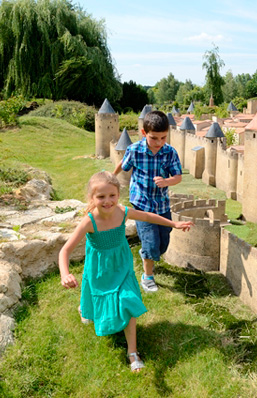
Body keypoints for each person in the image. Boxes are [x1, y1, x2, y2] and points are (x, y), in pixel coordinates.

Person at [58, 171, 193, 372]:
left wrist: (173, 223)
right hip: (100, 270)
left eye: (112, 195)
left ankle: (132, 352)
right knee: (96, 299)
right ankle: (86, 309)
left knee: (128, 300)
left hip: (123, 267)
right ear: (92, 198)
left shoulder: (122, 211)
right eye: (101, 197)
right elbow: (65, 250)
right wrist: (65, 273)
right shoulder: (89, 221)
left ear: (118, 195)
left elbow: (147, 216)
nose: (107, 201)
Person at [113, 110, 182, 293]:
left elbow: (178, 176)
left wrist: (167, 181)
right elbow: (124, 163)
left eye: (163, 138)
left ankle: (148, 254)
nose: (159, 143)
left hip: (162, 204)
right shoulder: (135, 150)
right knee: (151, 243)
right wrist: (111, 177)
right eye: (154, 138)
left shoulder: (169, 152)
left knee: (162, 244)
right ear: (144, 133)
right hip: (142, 203)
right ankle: (147, 276)